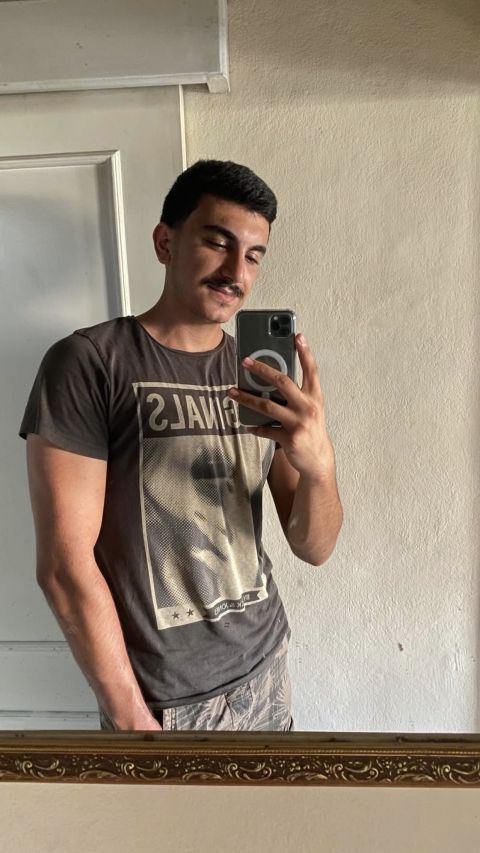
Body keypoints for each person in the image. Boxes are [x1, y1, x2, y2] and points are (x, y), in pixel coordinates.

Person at [20, 160, 343, 732]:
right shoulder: (90, 364)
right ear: (165, 243)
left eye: (253, 255)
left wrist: (319, 465)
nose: (235, 272)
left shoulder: (259, 377)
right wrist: (130, 716)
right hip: (165, 700)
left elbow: (313, 547)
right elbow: (64, 567)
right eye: (217, 243)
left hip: (266, 664)